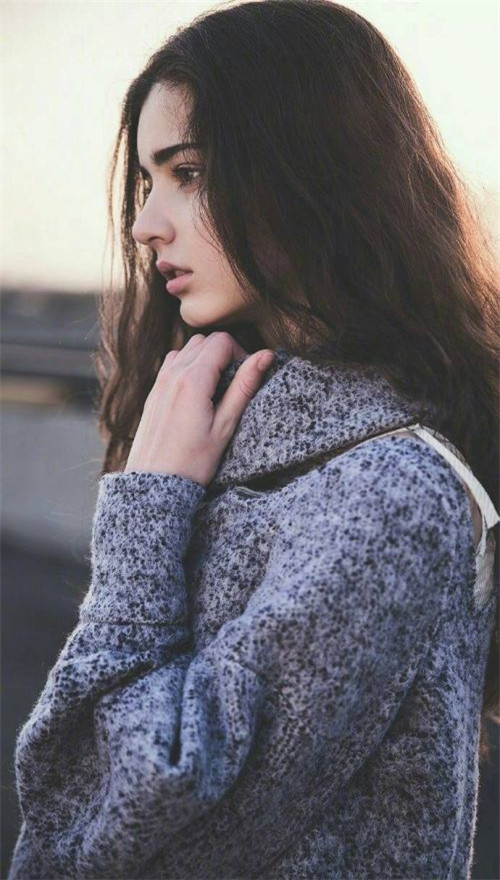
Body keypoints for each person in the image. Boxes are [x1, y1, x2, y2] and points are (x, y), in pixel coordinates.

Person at [8, 1, 499, 878]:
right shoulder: (243, 440)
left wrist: (147, 509)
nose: (145, 224)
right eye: (148, 182)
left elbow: (115, 827)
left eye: (189, 172)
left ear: (313, 171)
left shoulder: (387, 494)